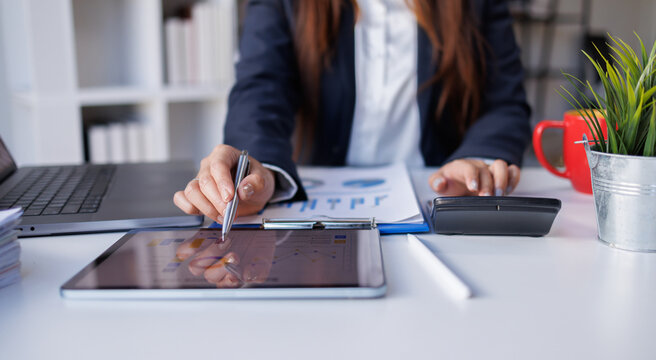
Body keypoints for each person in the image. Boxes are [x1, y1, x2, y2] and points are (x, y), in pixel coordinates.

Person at [174, 0, 531, 223]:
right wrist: (261, 172)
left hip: (437, 199)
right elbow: (261, 87)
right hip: (322, 207)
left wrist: (478, 164)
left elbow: (504, 101)